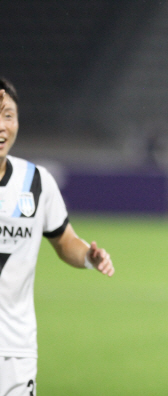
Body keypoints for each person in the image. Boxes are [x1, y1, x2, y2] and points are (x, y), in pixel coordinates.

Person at [0, 78, 114, 396]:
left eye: (8, 115)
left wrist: (89, 257)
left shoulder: (36, 181)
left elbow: (64, 241)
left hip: (15, 350)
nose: (2, 126)